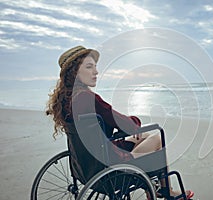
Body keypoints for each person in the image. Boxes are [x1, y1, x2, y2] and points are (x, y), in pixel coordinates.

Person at [46, 45, 194, 199]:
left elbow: (105, 124)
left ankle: (151, 190)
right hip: (110, 166)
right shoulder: (87, 98)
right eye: (89, 67)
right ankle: (166, 189)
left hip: (86, 166)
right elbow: (127, 124)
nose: (96, 72)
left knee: (143, 136)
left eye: (95, 67)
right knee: (157, 137)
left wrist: (126, 129)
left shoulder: (65, 101)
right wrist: (136, 122)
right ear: (74, 72)